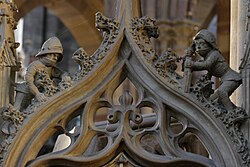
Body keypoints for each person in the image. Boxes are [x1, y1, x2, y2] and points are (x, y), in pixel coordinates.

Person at [184, 29, 242, 112]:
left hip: (231, 78)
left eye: (201, 44)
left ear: (209, 44)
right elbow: (206, 73)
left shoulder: (214, 54)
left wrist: (192, 64)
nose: (198, 47)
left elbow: (206, 65)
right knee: (213, 100)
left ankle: (231, 113)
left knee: (222, 92)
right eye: (196, 45)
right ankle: (236, 111)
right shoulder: (206, 58)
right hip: (225, 80)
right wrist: (189, 54)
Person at [14, 37, 71, 111]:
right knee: (16, 111)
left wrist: (65, 76)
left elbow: (62, 73)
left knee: (26, 112)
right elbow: (29, 81)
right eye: (53, 55)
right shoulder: (35, 65)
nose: (55, 58)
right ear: (45, 54)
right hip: (24, 91)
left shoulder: (51, 68)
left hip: (35, 95)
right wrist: (37, 93)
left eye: (57, 56)